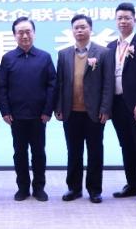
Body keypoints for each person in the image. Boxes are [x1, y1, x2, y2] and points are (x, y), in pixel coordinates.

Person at [55, 14, 113, 204]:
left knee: (95, 151)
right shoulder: (63, 54)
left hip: (94, 112)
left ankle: (94, 190)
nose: (79, 30)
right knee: (74, 152)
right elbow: (60, 83)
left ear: (90, 29)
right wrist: (59, 107)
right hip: (71, 111)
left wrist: (105, 108)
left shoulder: (103, 53)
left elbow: (108, 83)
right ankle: (74, 188)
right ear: (72, 31)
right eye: (76, 28)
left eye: (83, 27)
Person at [0, 16, 56, 202]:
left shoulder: (44, 57)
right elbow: (2, 87)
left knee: (39, 153)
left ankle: (39, 188)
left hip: (39, 116)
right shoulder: (8, 58)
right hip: (16, 116)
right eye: (20, 32)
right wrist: (5, 111)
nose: (24, 36)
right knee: (19, 153)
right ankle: (22, 188)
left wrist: (47, 111)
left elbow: (52, 85)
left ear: (34, 33)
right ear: (14, 35)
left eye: (28, 31)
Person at [105, 3, 136, 204]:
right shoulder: (110, 47)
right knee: (126, 145)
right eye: (120, 18)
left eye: (127, 18)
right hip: (117, 104)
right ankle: (132, 183)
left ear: (135, 20)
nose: (123, 21)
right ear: (115, 21)